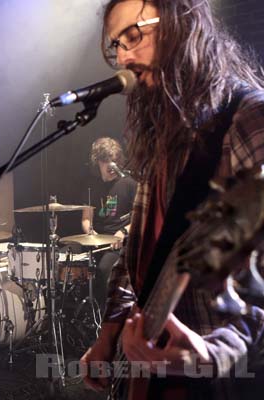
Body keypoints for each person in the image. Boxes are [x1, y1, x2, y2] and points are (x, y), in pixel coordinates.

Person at [81, 1, 264, 398]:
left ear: (184, 26)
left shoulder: (249, 119)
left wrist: (217, 351)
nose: (125, 57)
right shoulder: (165, 136)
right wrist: (108, 336)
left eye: (134, 36)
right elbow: (139, 257)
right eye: (117, 45)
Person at [81, 137, 136, 308]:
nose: (111, 165)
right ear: (98, 162)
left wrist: (124, 232)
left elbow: (140, 217)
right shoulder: (92, 185)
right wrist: (90, 231)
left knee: (105, 268)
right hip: (97, 242)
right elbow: (86, 217)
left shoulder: (129, 184)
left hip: (119, 244)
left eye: (114, 161)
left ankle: (106, 319)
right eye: (106, 161)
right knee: (66, 257)